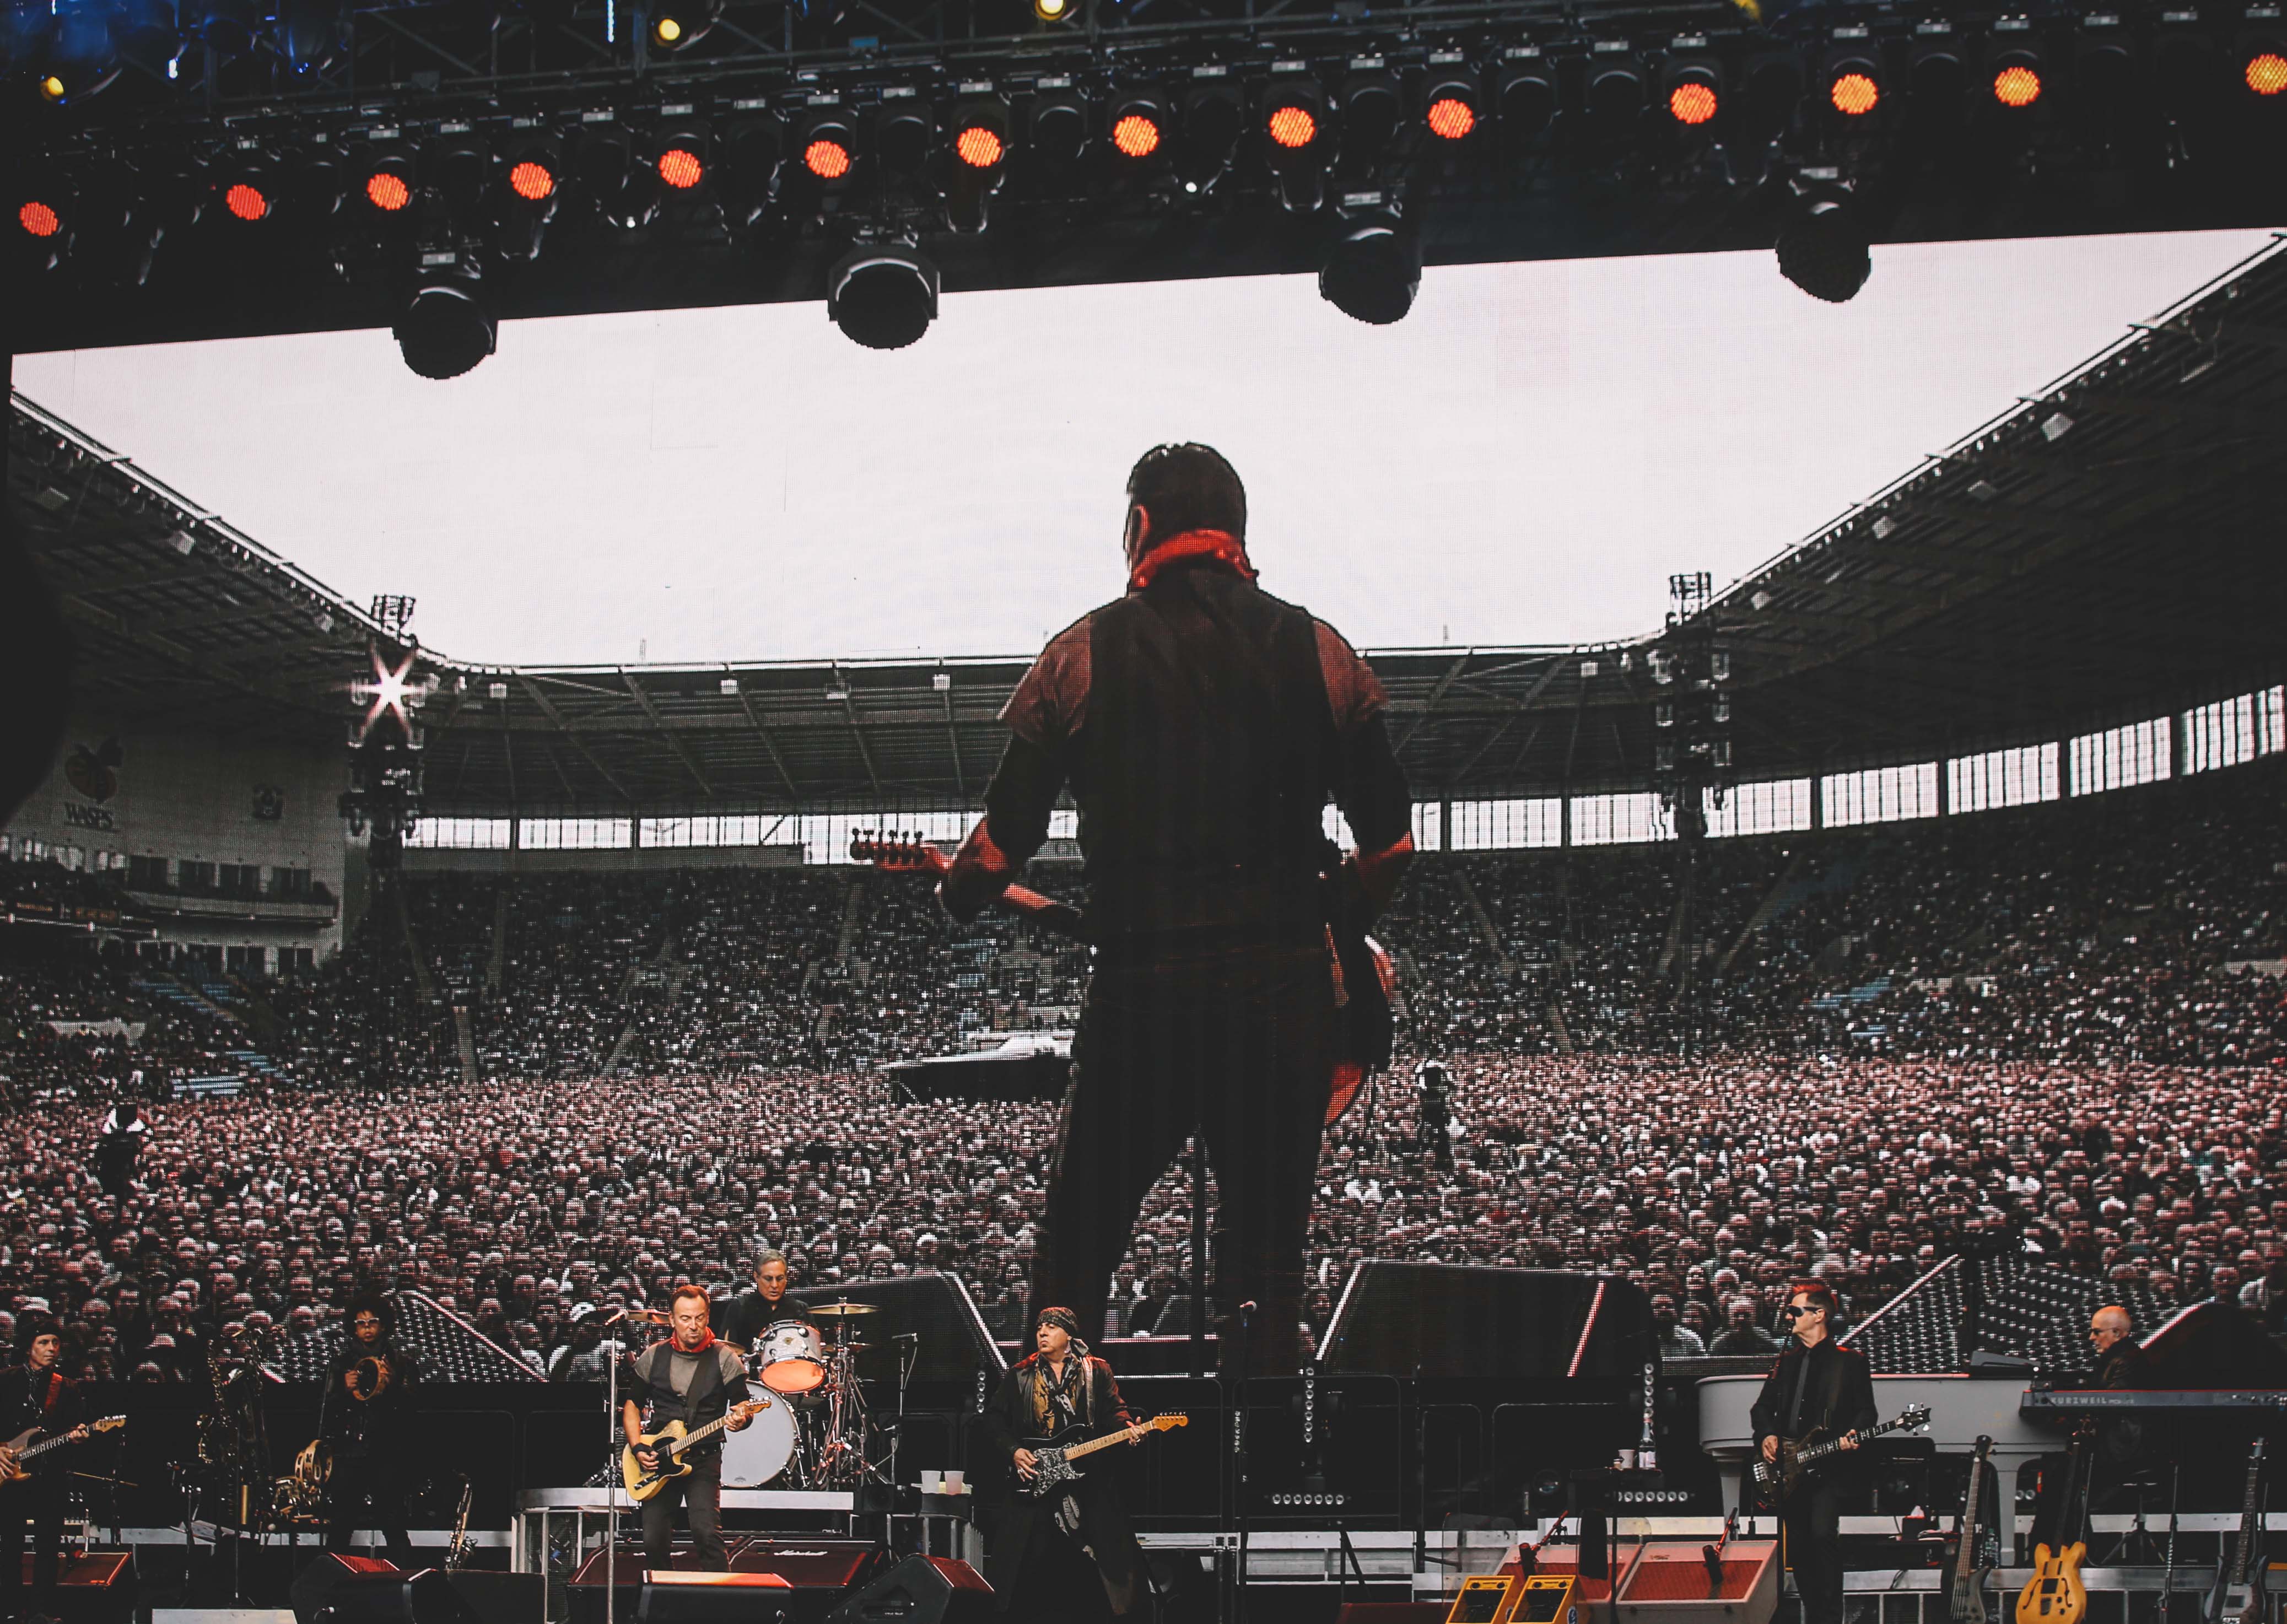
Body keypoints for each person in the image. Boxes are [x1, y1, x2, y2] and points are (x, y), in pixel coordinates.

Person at [941, 443, 1414, 1375]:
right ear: (1237, 529)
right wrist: (1328, 924)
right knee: (1264, 1263)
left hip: (1142, 996)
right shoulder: (1324, 652)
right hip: (1280, 995)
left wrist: (956, 886)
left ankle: (1055, 1446)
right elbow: (1391, 847)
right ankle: (1262, 1451)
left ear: (1141, 526)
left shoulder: (1079, 654)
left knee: (1078, 1247)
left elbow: (995, 853)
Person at [978, 1307, 1147, 1622]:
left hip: (1087, 1478)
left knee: (1100, 1563)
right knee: (1027, 1565)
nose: (1042, 1333)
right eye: (1039, 1328)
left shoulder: (1096, 1370)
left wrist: (1127, 1429)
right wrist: (1014, 1451)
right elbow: (993, 1421)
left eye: (1051, 1327)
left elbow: (1115, 1411)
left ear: (1069, 1334)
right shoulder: (1021, 1374)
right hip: (1037, 1479)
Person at [1750, 1282, 1876, 1624]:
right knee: (1799, 1546)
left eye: (1795, 1310)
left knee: (1822, 1536)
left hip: (1828, 1467)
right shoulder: (1786, 1362)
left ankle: (1831, 1618)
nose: (1788, 1317)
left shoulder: (1850, 1362)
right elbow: (1761, 1408)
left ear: (1819, 1315)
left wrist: (1855, 1432)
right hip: (1790, 1469)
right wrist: (1767, 1435)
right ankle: (1816, 1615)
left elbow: (1867, 1411)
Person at [623, 1286, 756, 1572]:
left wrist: (741, 1419)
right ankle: (664, 1595)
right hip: (659, 1458)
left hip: (703, 1458)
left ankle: (721, 1597)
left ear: (708, 1317)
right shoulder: (654, 1355)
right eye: (685, 1319)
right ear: (672, 1320)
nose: (693, 1326)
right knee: (653, 1539)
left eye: (699, 1318)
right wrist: (637, 1447)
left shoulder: (725, 1358)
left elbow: (742, 1405)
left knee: (706, 1533)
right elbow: (632, 1405)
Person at [319, 1292, 421, 1567]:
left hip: (387, 1453)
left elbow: (413, 1410)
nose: (367, 1328)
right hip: (349, 1452)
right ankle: (332, 1581)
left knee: (393, 1523)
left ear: (383, 1325)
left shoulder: (402, 1364)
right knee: (341, 1524)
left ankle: (405, 1581)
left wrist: (392, 1386)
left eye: (372, 1322)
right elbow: (325, 1412)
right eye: (361, 1323)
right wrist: (344, 1390)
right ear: (353, 1328)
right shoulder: (341, 1365)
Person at [1, 1319, 90, 1624]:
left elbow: (75, 1429)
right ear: (29, 1347)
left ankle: (43, 1611)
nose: (52, 1348)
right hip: (9, 1475)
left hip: (50, 1476)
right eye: (44, 1342)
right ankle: (10, 1609)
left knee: (48, 1546)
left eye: (55, 1343)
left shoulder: (67, 1387)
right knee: (10, 1544)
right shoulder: (5, 1380)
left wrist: (78, 1436)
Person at [721, 1250, 816, 1352]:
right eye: (768, 1279)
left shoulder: (800, 1309)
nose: (775, 1285)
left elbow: (816, 1348)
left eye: (780, 1279)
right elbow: (725, 1349)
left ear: (786, 1277)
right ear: (756, 1277)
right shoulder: (739, 1307)